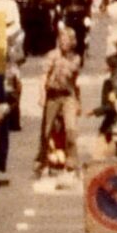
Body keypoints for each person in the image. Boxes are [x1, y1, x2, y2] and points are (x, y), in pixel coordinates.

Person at [34, 27, 82, 178]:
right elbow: (44, 76)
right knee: (46, 130)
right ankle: (41, 162)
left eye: (66, 40)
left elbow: (75, 82)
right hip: (53, 95)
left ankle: (71, 163)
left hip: (68, 96)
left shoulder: (76, 59)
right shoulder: (52, 56)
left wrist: (78, 102)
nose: (63, 43)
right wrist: (42, 95)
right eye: (61, 40)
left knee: (71, 129)